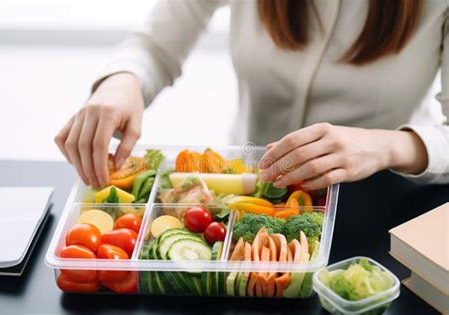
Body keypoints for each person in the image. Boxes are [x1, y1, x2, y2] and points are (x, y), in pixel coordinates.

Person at [55, 0, 449, 190]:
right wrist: (121, 81)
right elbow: (155, 46)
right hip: (244, 183)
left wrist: (389, 146)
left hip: (380, 203)